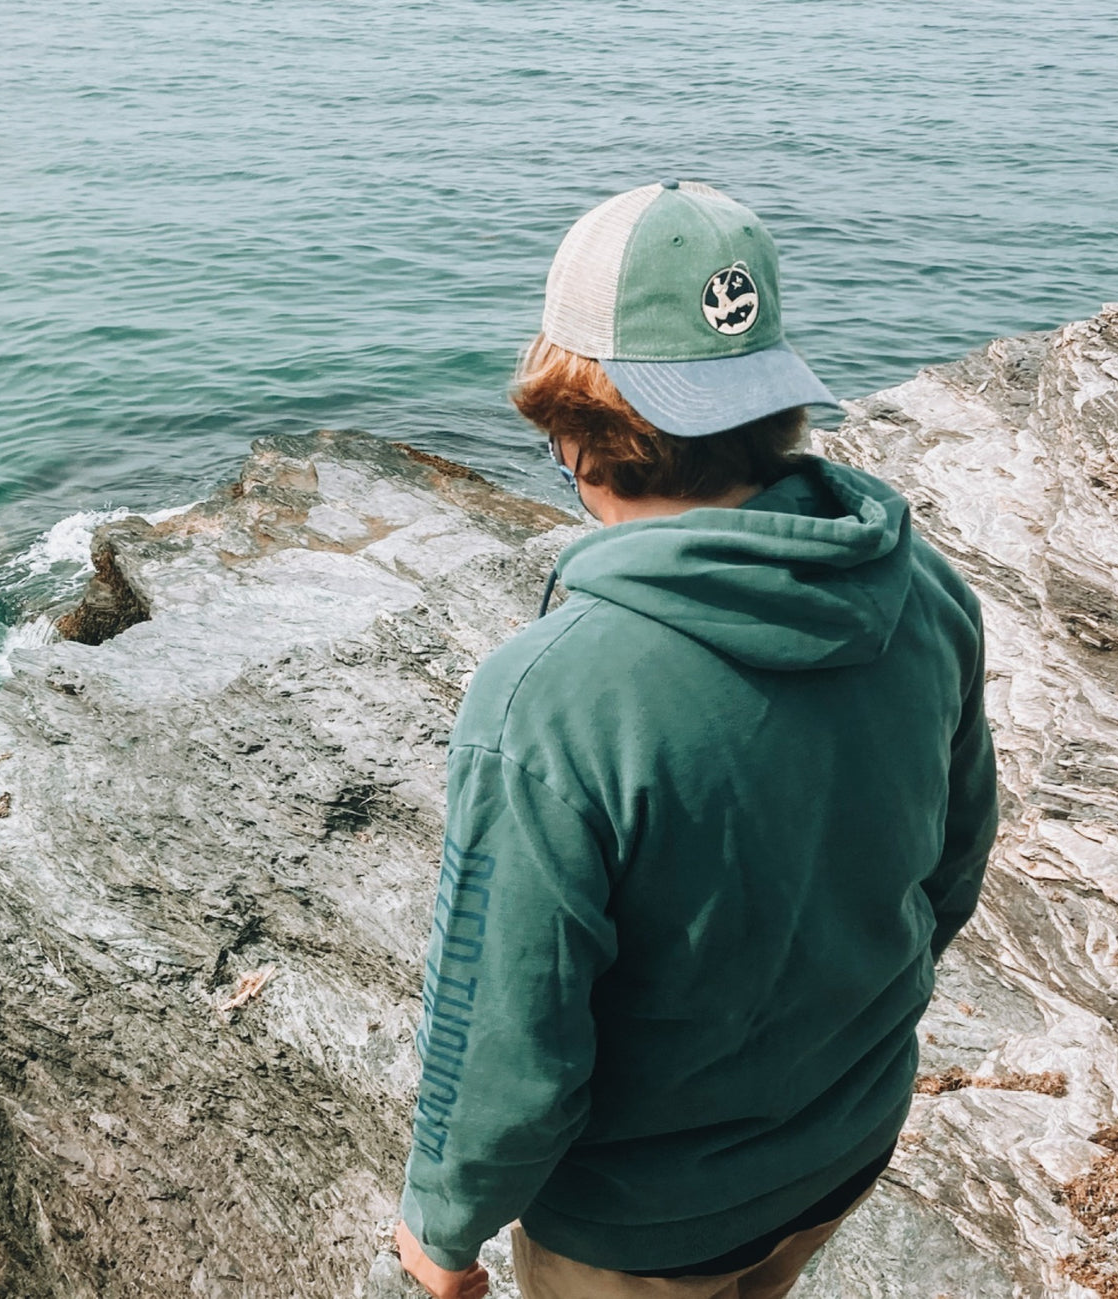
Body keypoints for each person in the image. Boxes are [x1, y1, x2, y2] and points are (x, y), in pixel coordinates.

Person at [394, 180, 1000, 1299]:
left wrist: (442, 1223)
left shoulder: (547, 698)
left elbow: (507, 1031)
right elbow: (950, 871)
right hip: (842, 1146)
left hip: (642, 1227)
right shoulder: (923, 587)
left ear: (571, 426)